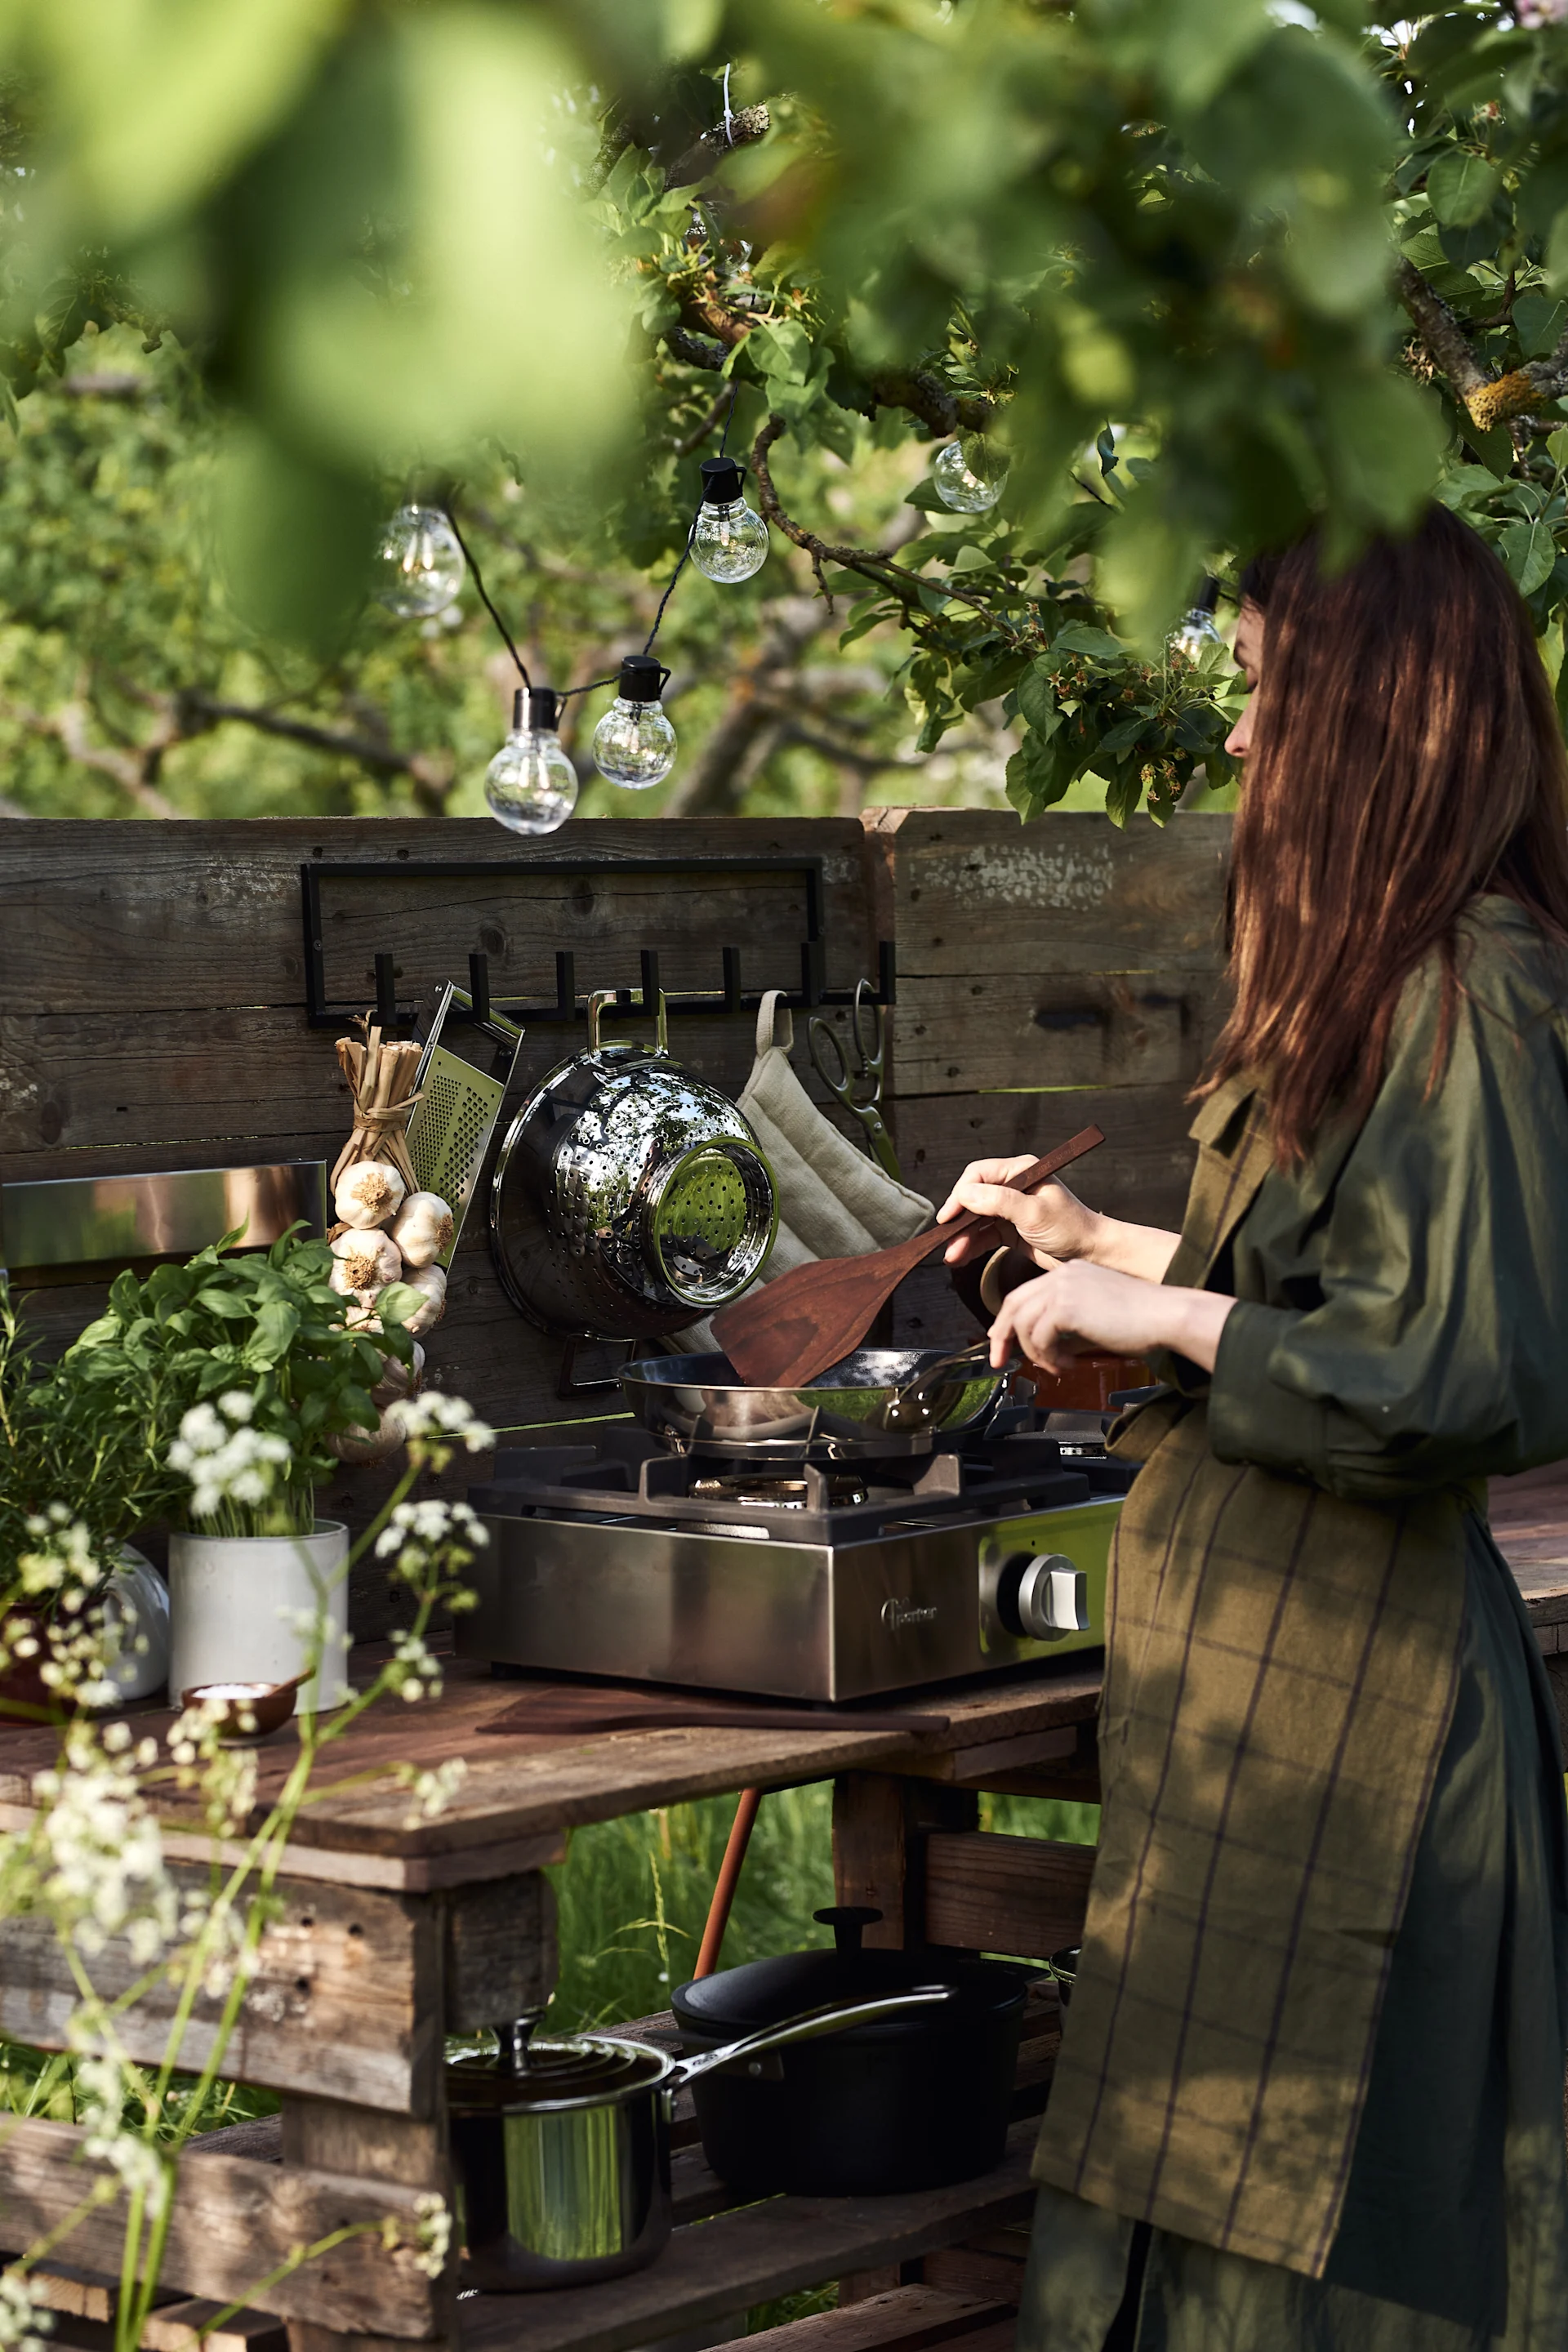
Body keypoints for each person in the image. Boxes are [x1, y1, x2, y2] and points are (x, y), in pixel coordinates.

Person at [937, 505, 1568, 2350]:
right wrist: (1101, 1242)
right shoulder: (1378, 978)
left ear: (1370, 716)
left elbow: (1458, 1369)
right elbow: (1333, 1286)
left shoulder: (1481, 985)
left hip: (1366, 1708)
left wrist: (1150, 1313)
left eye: (1260, 693)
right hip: (1257, 1687)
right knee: (1190, 2190)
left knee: (1330, 2237)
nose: (1233, 738)